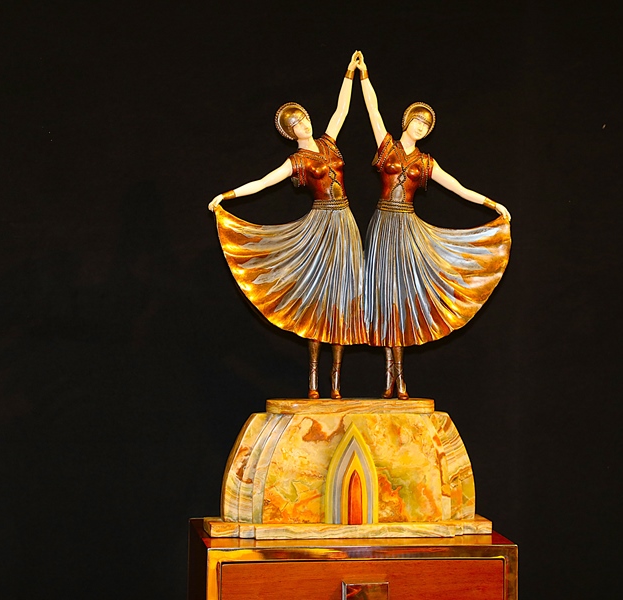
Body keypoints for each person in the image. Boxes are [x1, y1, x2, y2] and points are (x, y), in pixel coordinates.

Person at [209, 53, 366, 399]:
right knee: (318, 300)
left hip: (345, 224)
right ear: (291, 133)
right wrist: (228, 195)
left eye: (304, 120)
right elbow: (264, 182)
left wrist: (352, 74)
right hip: (321, 225)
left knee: (343, 299)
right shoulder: (296, 161)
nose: (304, 126)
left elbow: (341, 110)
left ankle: (336, 381)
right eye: (296, 125)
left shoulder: (328, 142)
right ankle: (313, 378)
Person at [356, 51, 512, 399]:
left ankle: (400, 378)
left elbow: (458, 187)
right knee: (384, 295)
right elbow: (372, 110)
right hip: (383, 225)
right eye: (417, 122)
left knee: (401, 296)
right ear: (406, 121)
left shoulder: (426, 163)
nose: (420, 128)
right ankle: (389, 377)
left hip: (407, 228)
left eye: (425, 126)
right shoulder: (387, 146)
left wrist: (491, 203)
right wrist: (363, 76)